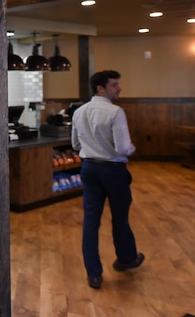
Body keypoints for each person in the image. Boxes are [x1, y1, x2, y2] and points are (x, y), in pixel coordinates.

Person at [71, 70, 144, 290]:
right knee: (120, 217)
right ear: (100, 88)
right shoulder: (115, 112)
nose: (119, 88)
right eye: (114, 85)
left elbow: (75, 144)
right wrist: (132, 149)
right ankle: (126, 259)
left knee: (91, 221)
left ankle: (93, 274)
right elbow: (123, 148)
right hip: (113, 170)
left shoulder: (79, 111)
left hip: (89, 169)